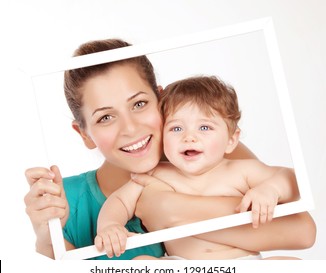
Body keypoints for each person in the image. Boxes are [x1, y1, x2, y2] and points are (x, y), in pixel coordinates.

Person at [24, 38, 316, 260]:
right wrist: (48, 240)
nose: (131, 129)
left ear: (161, 100)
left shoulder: (216, 154)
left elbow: (302, 231)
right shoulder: (68, 200)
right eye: (105, 117)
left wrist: (170, 211)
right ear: (84, 133)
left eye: (139, 104)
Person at [95, 76, 301, 260]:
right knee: (141, 264)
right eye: (176, 128)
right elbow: (120, 201)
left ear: (231, 140)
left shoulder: (241, 171)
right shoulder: (155, 175)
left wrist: (270, 190)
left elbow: (290, 178)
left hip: (241, 264)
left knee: (292, 266)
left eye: (205, 127)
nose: (189, 137)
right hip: (184, 266)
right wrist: (110, 226)